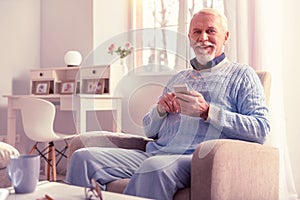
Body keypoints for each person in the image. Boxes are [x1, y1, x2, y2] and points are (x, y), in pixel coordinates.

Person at [66, 8, 270, 200]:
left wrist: (208, 111)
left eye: (210, 31)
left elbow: (261, 129)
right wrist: (160, 110)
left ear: (225, 36)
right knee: (83, 158)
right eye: (197, 32)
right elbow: (149, 130)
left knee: (155, 167)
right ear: (190, 38)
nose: (203, 37)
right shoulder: (179, 77)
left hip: (196, 159)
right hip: (156, 152)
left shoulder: (242, 75)